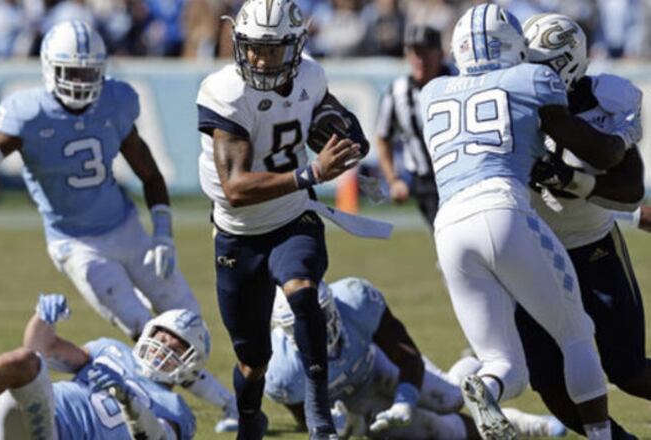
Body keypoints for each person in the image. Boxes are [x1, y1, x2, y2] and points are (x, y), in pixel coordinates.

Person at [0, 21, 237, 430]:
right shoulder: (28, 112)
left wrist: (162, 233)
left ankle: (220, 403)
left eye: (89, 73)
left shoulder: (115, 102)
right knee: (141, 327)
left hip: (125, 226)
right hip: (77, 243)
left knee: (186, 320)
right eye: (72, 73)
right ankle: (223, 403)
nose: (82, 83)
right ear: (50, 69)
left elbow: (151, 174)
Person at [419, 4, 641, 439]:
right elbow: (602, 150)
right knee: (560, 358)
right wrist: (621, 138)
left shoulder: (436, 90)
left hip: (472, 228)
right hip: (519, 230)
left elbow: (627, 183)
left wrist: (575, 181)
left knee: (519, 364)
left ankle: (487, 386)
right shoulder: (529, 81)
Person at [195, 0, 368, 438]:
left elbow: (332, 121)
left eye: (272, 50)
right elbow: (234, 188)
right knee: (253, 361)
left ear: (295, 46)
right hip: (239, 233)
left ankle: (320, 416)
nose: (259, 58)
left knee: (302, 292)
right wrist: (310, 172)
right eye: (253, 48)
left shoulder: (310, 74)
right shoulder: (225, 91)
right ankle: (251, 417)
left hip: (293, 217)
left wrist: (349, 146)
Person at [515, 13, 649, 439]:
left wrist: (574, 181)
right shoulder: (510, 98)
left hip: (593, 243)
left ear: (569, 62)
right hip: (533, 249)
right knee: (550, 385)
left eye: (541, 64)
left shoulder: (605, 99)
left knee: (628, 370)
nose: (531, 73)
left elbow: (629, 189)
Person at [0, 294, 206, 440]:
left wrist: (131, 401)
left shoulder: (176, 410)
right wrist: (43, 318)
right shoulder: (111, 350)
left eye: (177, 347)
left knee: (25, 365)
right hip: (24, 414)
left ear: (191, 365)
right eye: (162, 337)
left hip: (53, 434)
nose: (163, 349)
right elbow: (40, 348)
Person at [266, 277, 567, 439]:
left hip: (379, 365)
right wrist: (342, 425)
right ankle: (528, 426)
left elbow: (404, 351)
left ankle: (478, 368)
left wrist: (405, 399)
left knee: (450, 399)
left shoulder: (355, 301)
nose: (315, 329)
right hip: (357, 402)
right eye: (302, 324)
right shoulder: (281, 373)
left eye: (318, 318)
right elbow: (307, 419)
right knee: (442, 432)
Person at [373, 25, 451, 228]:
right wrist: (393, 180)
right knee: (445, 239)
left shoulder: (459, 81)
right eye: (414, 52)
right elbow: (383, 138)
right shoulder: (397, 92)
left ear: (440, 54)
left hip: (459, 175)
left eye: (425, 52)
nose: (419, 59)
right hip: (425, 182)